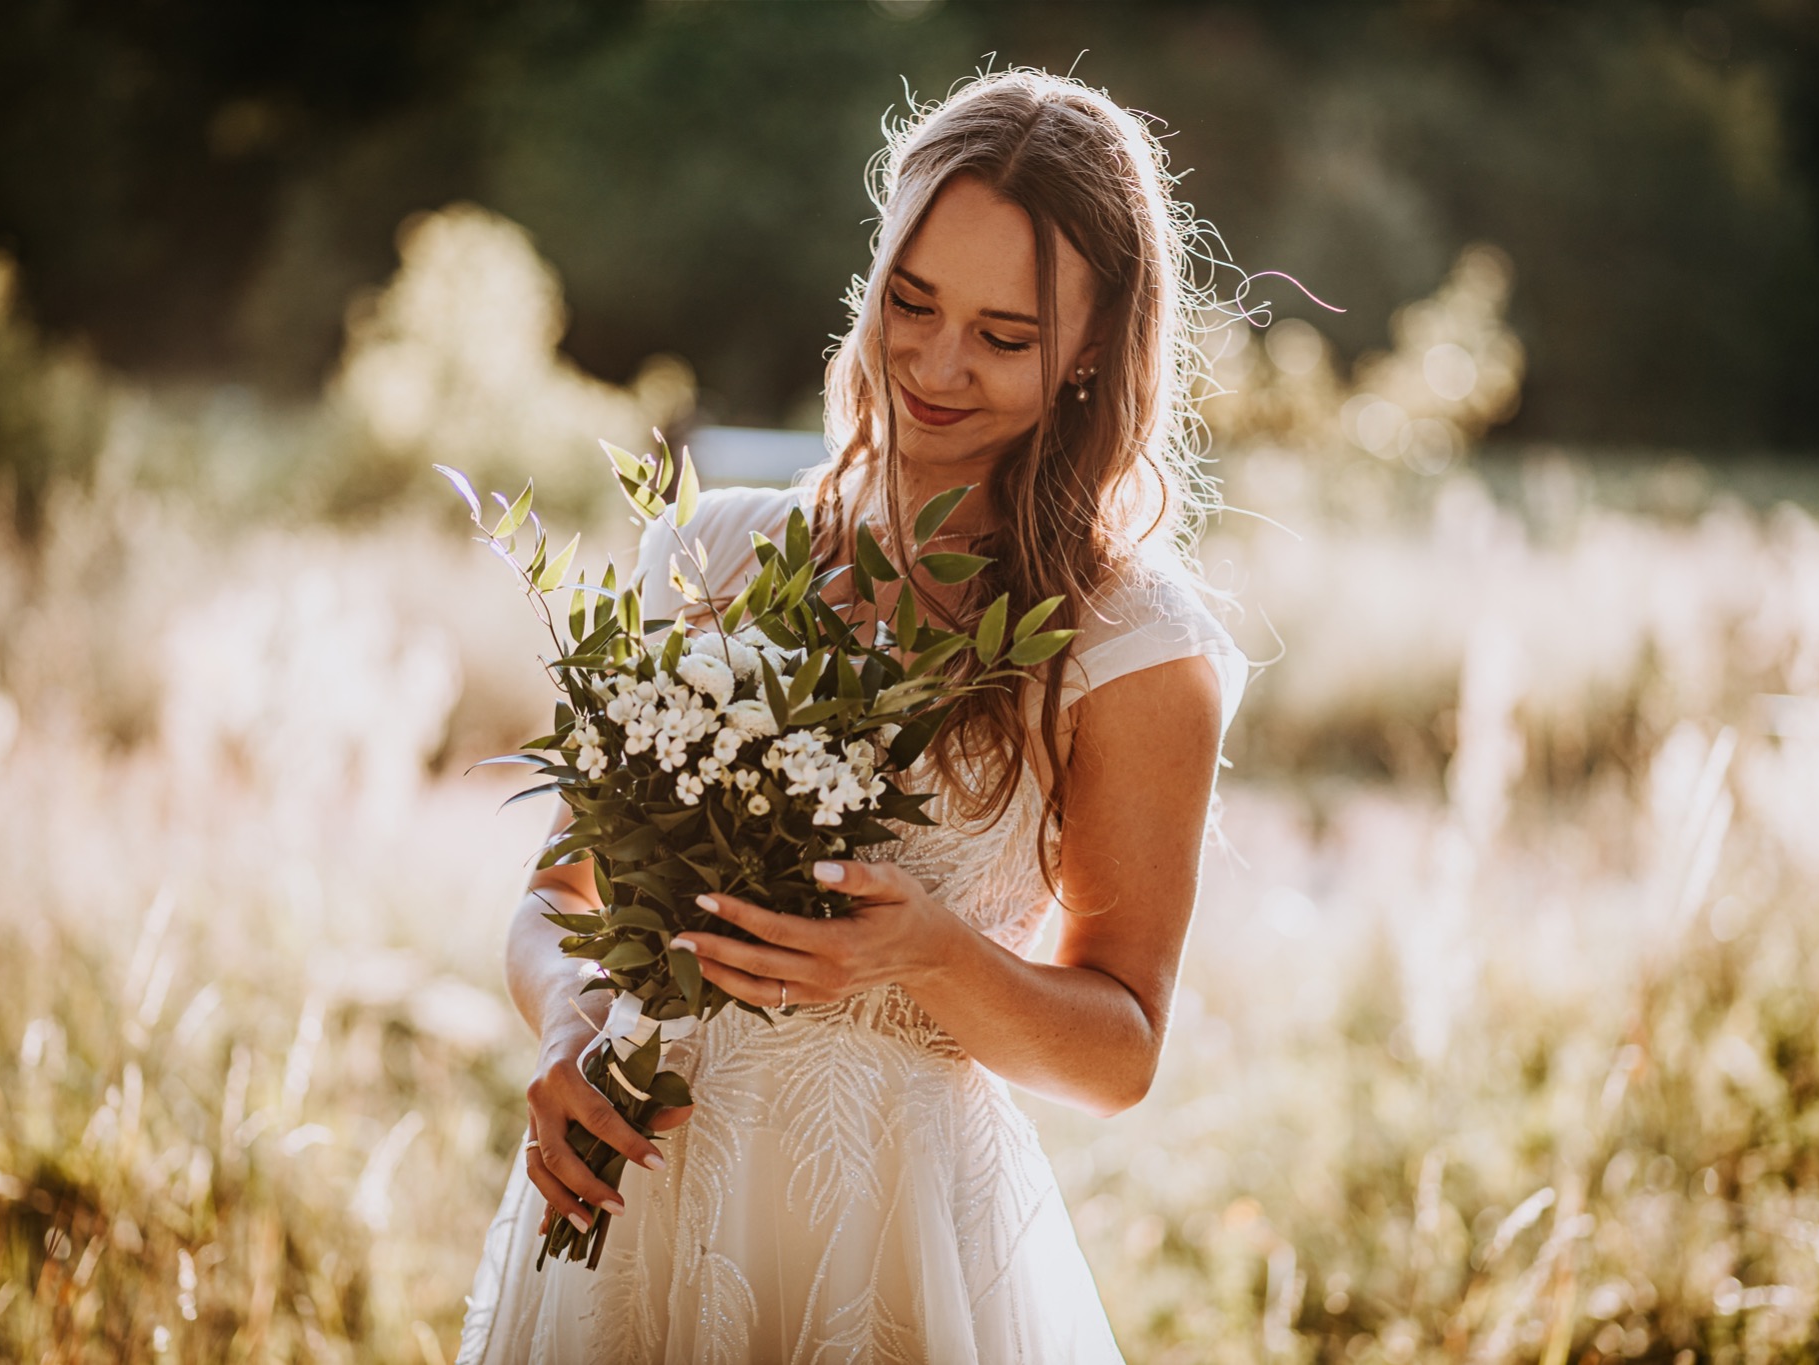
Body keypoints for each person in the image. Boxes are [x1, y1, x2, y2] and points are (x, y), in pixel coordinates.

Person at [458, 68, 1248, 1364]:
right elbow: (561, 893)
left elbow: (1123, 1050)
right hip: (641, 1196)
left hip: (891, 1234)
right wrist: (565, 1025)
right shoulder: (708, 553)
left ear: (1097, 349)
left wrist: (931, 955)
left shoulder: (1131, 645)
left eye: (1005, 336)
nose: (938, 365)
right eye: (912, 302)